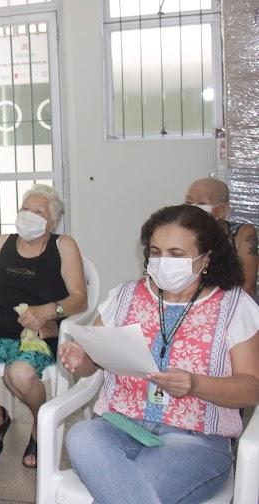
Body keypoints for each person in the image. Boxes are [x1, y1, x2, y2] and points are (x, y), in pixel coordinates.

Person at [61, 205, 259, 504]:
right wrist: (81, 358)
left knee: (139, 488)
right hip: (119, 426)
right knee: (81, 436)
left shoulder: (234, 306)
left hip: (195, 439)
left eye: (176, 254)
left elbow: (251, 388)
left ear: (205, 258)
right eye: (156, 252)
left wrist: (195, 384)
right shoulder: (125, 296)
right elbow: (94, 360)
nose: (163, 261)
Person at [0, 184, 87, 468]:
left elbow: (79, 299)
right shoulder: (1, 243)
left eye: (38, 211)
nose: (29, 216)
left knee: (18, 375)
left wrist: (49, 310)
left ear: (53, 221)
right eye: (25, 209)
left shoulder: (63, 245)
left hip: (36, 334)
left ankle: (39, 422)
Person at [184, 177, 257, 298]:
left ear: (222, 210)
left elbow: (247, 286)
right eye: (188, 203)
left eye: (201, 203)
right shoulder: (183, 234)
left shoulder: (242, 233)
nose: (192, 208)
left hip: (236, 306)